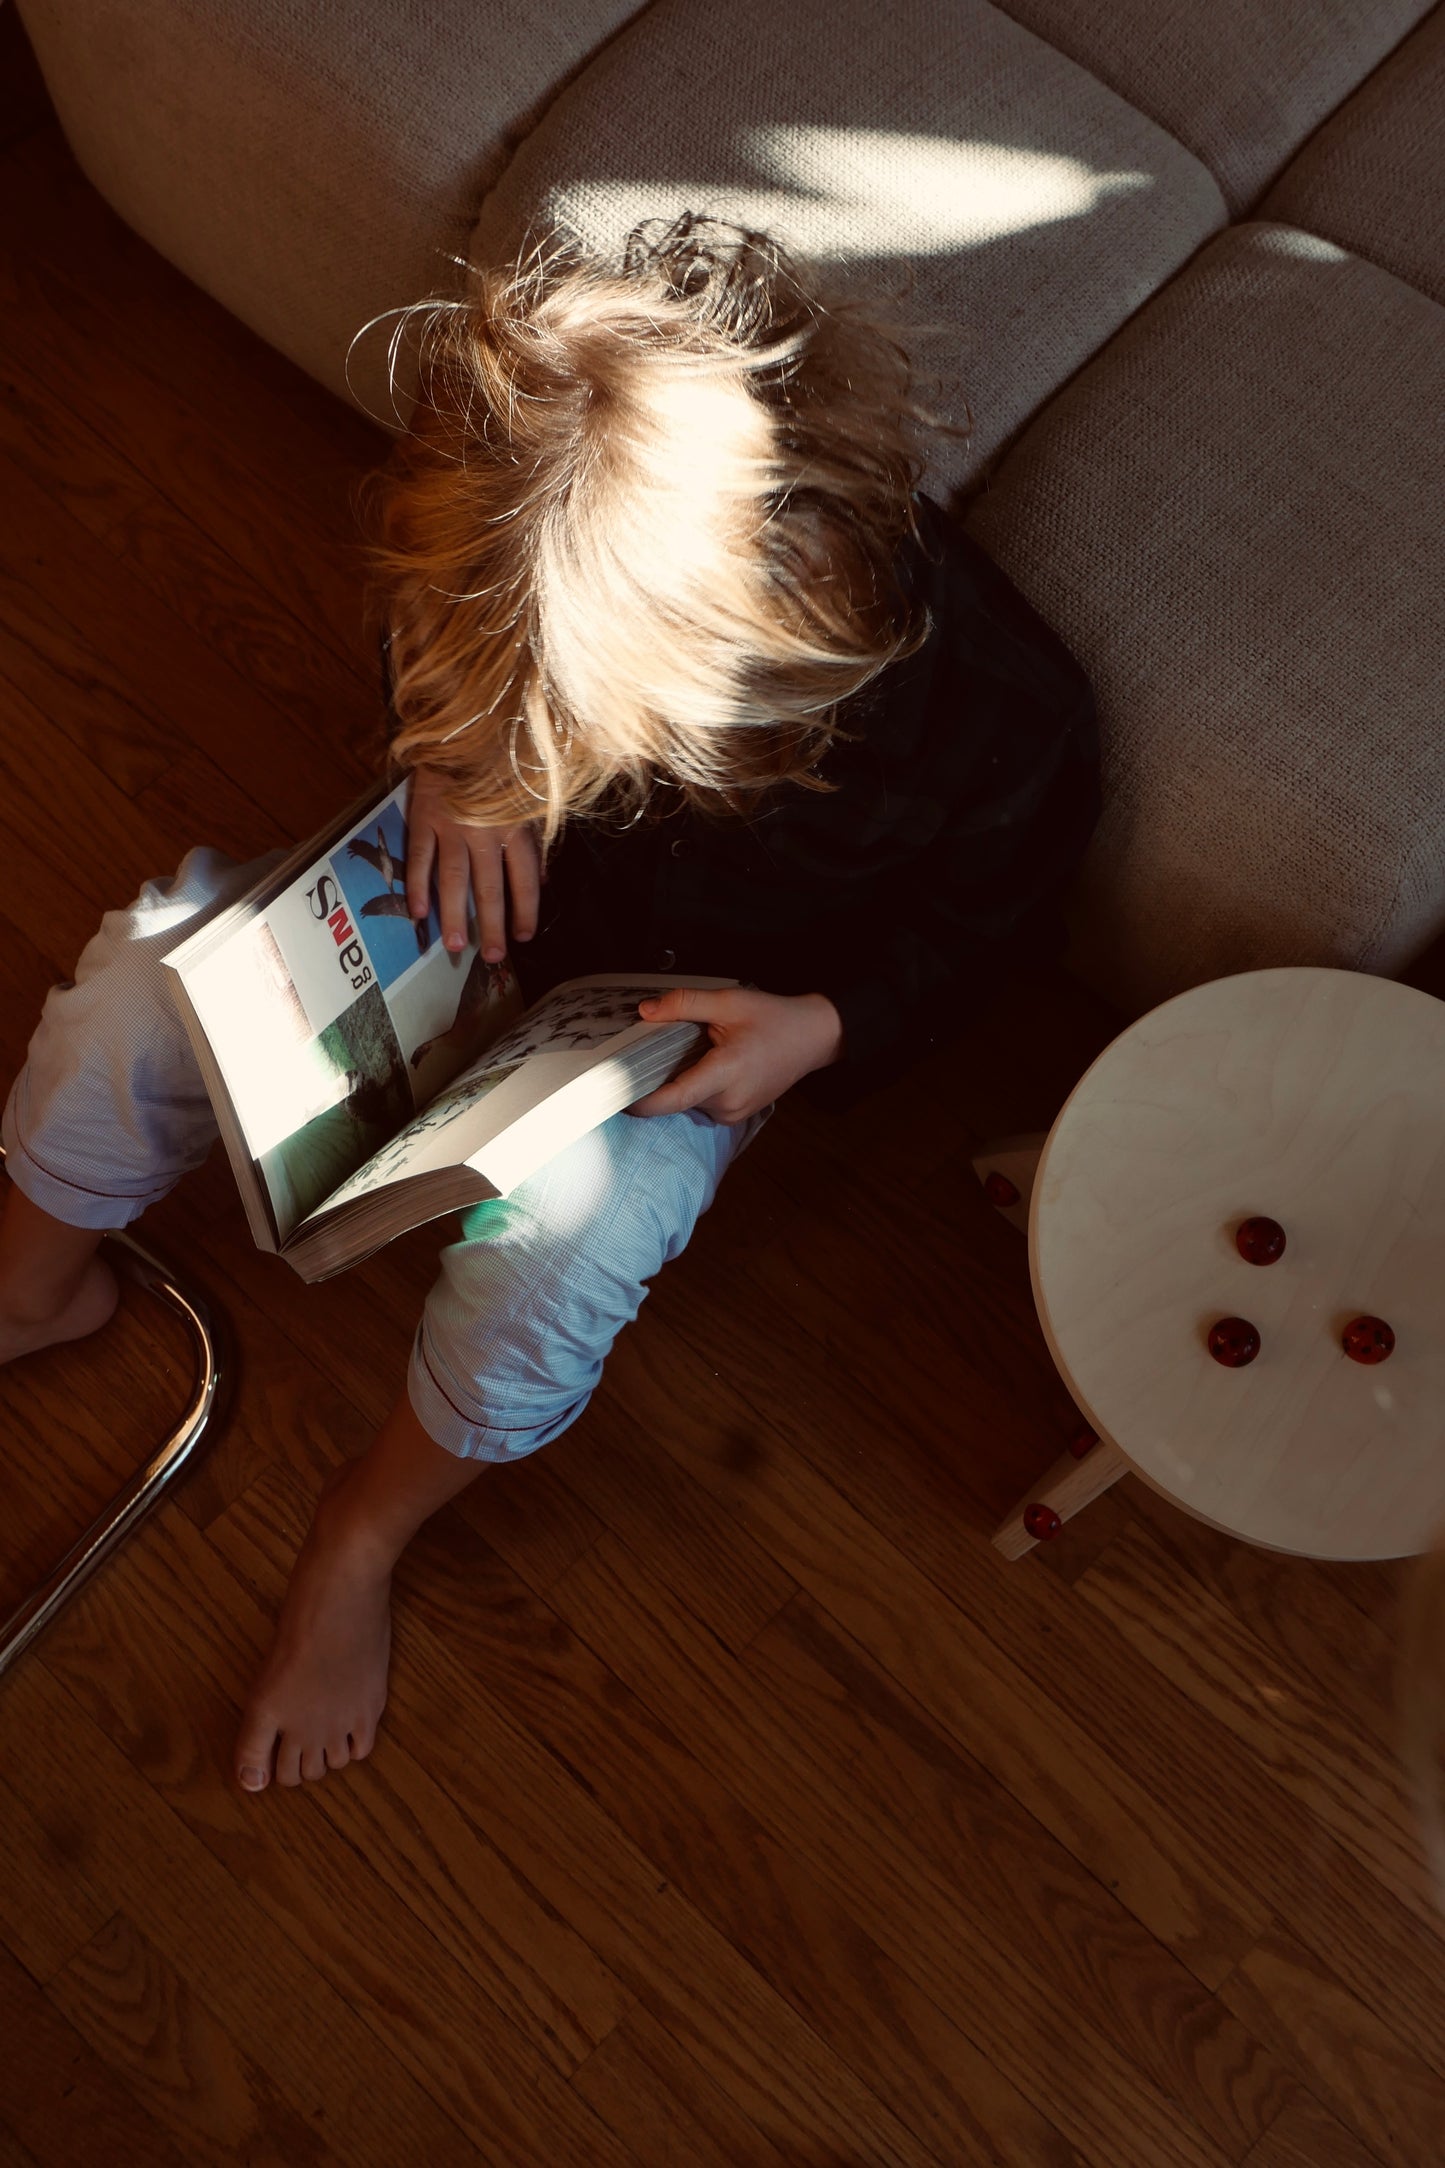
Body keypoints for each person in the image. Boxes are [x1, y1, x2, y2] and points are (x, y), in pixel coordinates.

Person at [0, 217, 1099, 1792]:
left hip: (697, 1013)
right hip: (457, 898)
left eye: (573, 732)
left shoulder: (996, 716)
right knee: (137, 995)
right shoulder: (510, 506)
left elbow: (982, 931)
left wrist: (826, 1026)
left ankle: (364, 1533)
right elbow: (433, 627)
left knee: (566, 1259)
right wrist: (454, 769)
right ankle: (33, 1284)